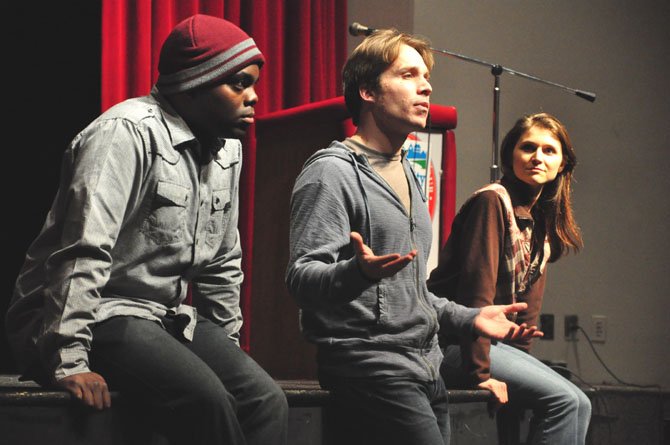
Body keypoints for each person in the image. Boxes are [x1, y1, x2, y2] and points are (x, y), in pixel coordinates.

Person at [6, 14, 288, 444]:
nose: (253, 98)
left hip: (163, 317)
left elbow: (222, 262)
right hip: (96, 309)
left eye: (253, 85)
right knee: (206, 398)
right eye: (238, 84)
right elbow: (84, 249)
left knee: (266, 400)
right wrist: (70, 359)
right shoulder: (125, 133)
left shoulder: (227, 148)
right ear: (194, 83)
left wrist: (224, 348)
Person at [285, 28, 542, 445]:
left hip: (425, 368)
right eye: (408, 75)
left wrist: (471, 317)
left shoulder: (406, 170)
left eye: (426, 77)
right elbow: (301, 279)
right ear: (367, 91)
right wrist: (356, 274)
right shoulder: (331, 172)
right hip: (372, 369)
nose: (425, 87)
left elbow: (412, 293)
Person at [428, 112, 591, 444]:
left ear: (562, 164)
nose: (537, 157)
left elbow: (525, 314)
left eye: (549, 150)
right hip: (450, 342)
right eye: (528, 147)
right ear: (510, 156)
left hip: (494, 345)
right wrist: (480, 376)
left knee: (580, 403)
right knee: (566, 402)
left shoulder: (543, 221)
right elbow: (477, 292)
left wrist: (520, 367)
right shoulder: (492, 201)